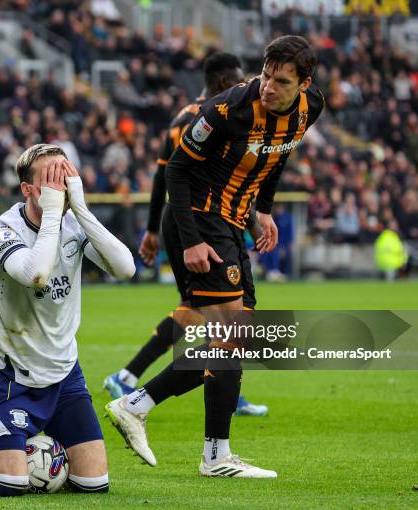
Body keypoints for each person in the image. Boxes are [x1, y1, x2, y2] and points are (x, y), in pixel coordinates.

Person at [106, 35, 325, 478]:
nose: (268, 86)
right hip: (199, 218)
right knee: (230, 337)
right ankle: (213, 455)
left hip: (231, 221)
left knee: (234, 340)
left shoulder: (309, 108)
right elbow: (177, 170)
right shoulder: (226, 109)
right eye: (266, 75)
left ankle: (139, 405)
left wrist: (262, 211)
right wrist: (187, 242)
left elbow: (278, 155)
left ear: (304, 84)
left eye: (281, 81)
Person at [0, 144, 135, 496]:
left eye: (66, 175)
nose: (61, 185)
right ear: (27, 189)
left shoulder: (73, 222)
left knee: (93, 484)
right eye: (52, 179)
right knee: (9, 485)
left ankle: (43, 453)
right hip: (11, 371)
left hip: (63, 371)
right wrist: (55, 211)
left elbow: (125, 268)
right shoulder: (2, 229)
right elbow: (36, 273)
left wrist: (80, 208)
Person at [103, 52, 268, 417]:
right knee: (220, 316)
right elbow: (218, 178)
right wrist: (253, 219)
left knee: (199, 311)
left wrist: (151, 228)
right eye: (240, 80)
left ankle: (130, 374)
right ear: (226, 82)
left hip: (180, 218)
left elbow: (163, 175)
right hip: (201, 220)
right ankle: (215, 381)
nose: (246, 87)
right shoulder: (222, 114)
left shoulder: (181, 118)